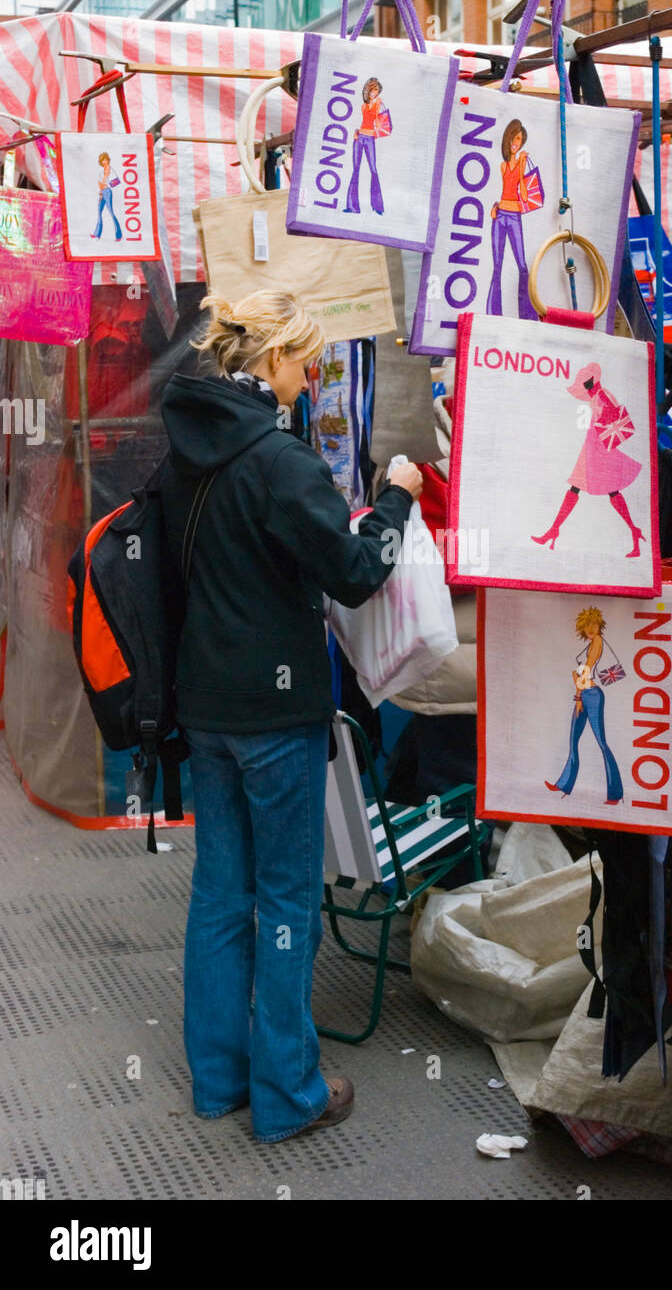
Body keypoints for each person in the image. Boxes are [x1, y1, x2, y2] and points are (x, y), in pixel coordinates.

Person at [159, 289, 422, 1144]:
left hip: (204, 708)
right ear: (270, 362)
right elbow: (355, 571)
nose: (312, 382)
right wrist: (396, 499)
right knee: (284, 901)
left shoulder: (184, 452)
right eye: (306, 363)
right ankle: (286, 1095)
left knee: (219, 897)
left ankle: (218, 1081)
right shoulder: (279, 462)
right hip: (276, 716)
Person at [532, 361, 645, 557]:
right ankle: (555, 529)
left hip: (600, 451)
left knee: (608, 491)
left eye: (585, 383)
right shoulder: (596, 397)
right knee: (589, 488)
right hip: (592, 449)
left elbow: (611, 419)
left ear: (592, 381)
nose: (584, 387)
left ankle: (634, 531)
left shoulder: (602, 395)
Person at [545, 606, 623, 805]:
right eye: (587, 626)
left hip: (591, 695)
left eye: (594, 625)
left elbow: (586, 670)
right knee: (573, 741)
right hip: (585, 693)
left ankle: (615, 793)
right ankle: (564, 785)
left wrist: (579, 695)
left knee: (601, 742)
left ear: (599, 625)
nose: (591, 629)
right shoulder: (592, 642)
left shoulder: (597, 641)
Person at [485, 118, 538, 321]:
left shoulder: (520, 163)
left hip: (514, 215)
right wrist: (495, 208)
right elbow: (503, 191)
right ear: (508, 139)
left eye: (520, 140)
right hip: (499, 215)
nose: (517, 143)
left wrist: (523, 166)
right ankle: (493, 313)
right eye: (515, 138)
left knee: (521, 264)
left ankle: (526, 313)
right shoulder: (503, 166)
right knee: (497, 264)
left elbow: (523, 196)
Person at [345, 77, 386, 216]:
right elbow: (360, 121)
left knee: (373, 169)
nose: (373, 92)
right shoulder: (363, 106)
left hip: (370, 139)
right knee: (355, 169)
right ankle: (352, 206)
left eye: (376, 89)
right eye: (371, 89)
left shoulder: (378, 103)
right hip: (359, 137)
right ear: (367, 90)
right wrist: (355, 131)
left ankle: (378, 206)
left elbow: (377, 119)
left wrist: (377, 103)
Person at [91, 152, 123, 241]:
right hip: (102, 192)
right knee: (99, 212)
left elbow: (117, 181)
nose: (104, 162)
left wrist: (107, 185)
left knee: (111, 212)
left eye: (105, 160)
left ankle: (118, 235)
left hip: (108, 192)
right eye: (102, 160)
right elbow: (100, 183)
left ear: (108, 159)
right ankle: (97, 234)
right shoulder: (102, 172)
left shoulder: (110, 170)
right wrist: (101, 191)